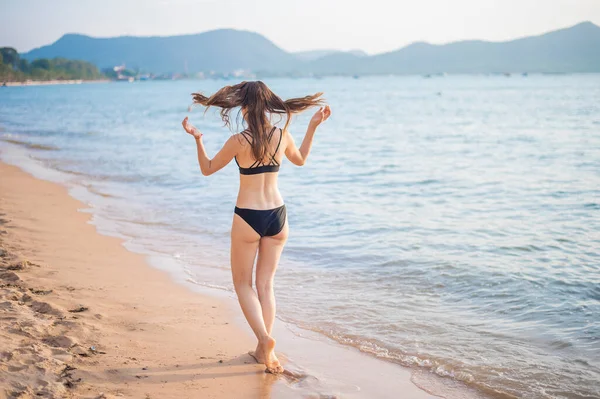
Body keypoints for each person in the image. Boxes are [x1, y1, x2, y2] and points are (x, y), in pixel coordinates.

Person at [181, 81, 331, 373]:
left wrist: (198, 139)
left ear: (245, 107)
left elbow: (208, 168)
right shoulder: (282, 135)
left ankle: (264, 339)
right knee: (265, 285)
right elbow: (300, 160)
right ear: (268, 106)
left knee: (242, 284)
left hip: (248, 216)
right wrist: (313, 126)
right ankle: (264, 350)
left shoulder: (239, 141)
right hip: (278, 216)